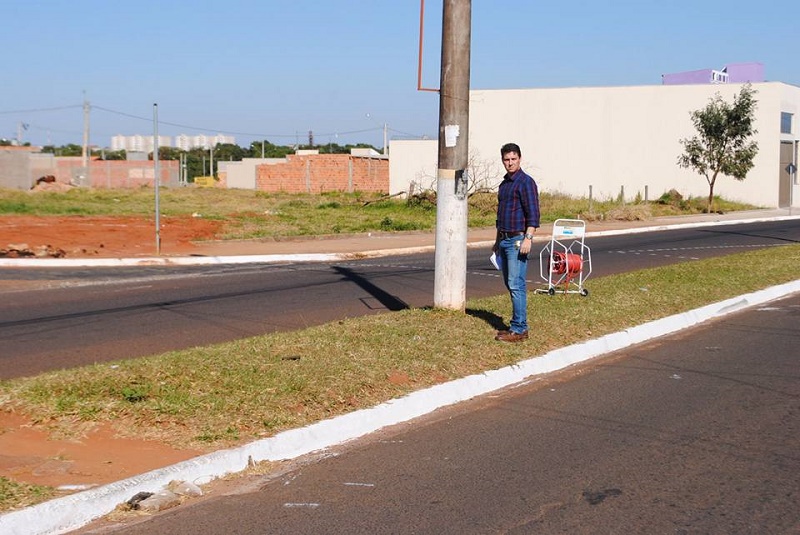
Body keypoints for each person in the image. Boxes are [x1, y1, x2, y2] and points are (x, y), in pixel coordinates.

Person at [493, 143, 540, 342]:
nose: (510, 163)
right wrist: (496, 242)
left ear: (520, 159)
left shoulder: (525, 182)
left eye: (513, 159)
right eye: (506, 159)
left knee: (516, 283)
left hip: (517, 240)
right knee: (510, 282)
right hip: (504, 239)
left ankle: (520, 329)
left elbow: (533, 213)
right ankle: (516, 325)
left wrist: (528, 238)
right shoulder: (504, 184)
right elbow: (500, 215)